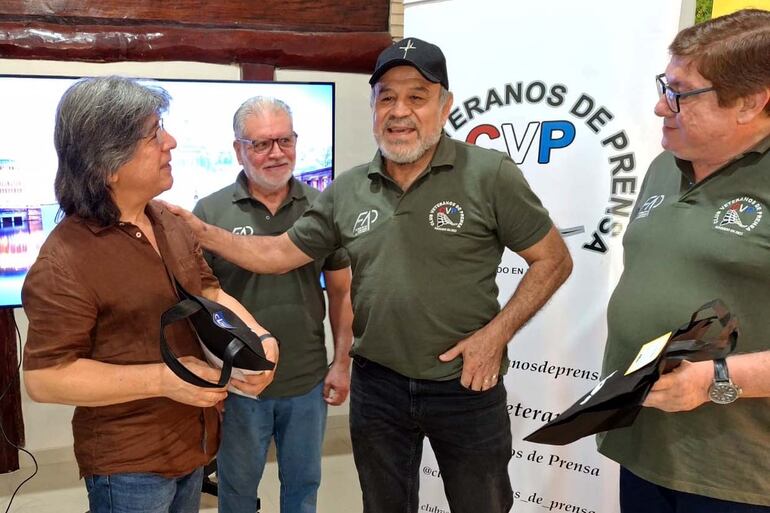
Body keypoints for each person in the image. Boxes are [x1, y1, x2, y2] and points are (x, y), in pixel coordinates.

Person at [166, 37, 572, 513]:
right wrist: (201, 232)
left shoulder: (490, 174)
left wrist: (496, 336)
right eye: (386, 97)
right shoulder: (347, 190)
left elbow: (553, 260)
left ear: (445, 106)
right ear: (373, 107)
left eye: (417, 96)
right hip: (378, 389)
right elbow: (278, 252)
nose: (399, 111)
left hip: (464, 386)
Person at [21, 76, 278, 513]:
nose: (171, 142)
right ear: (109, 163)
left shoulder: (168, 220)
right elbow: (44, 378)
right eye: (155, 133)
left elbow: (208, 289)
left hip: (193, 445)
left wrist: (259, 337)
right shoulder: (64, 259)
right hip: (129, 466)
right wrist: (163, 379)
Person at [598, 9, 770, 512]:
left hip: (735, 474)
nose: (659, 106)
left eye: (680, 92)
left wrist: (716, 380)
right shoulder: (663, 165)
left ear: (749, 103)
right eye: (663, 85)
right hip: (645, 449)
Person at [192, 96, 353, 513]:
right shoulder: (209, 213)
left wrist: (341, 362)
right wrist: (214, 379)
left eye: (285, 140)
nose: (276, 153)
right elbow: (196, 306)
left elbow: (341, 292)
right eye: (262, 143)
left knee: (303, 488)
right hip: (240, 386)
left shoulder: (322, 208)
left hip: (307, 382)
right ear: (238, 149)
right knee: (238, 490)